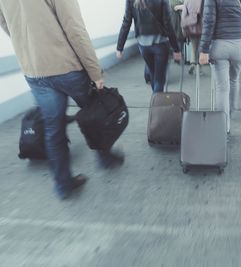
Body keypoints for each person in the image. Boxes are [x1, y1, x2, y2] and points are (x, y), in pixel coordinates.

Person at [0, 0, 124, 200]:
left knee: (53, 129)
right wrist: (95, 72)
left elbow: (6, 23)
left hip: (34, 71)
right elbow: (74, 29)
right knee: (96, 115)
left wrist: (30, 45)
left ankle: (63, 184)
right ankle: (105, 158)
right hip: (67, 68)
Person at [199, 0, 241, 133]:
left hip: (219, 44)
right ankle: (231, 112)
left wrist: (203, 49)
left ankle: (223, 127)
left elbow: (209, 21)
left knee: (222, 87)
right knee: (234, 79)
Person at [117, 0, 182, 93]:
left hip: (143, 46)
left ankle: (155, 101)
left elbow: (126, 22)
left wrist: (120, 47)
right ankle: (156, 105)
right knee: (159, 79)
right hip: (160, 43)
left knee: (153, 74)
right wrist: (176, 48)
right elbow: (167, 23)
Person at [180, 0, 204, 75]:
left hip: (191, 27)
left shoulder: (187, 1)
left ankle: (193, 63)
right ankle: (199, 68)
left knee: (193, 47)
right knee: (200, 48)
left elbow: (183, 16)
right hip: (202, 26)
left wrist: (183, 28)